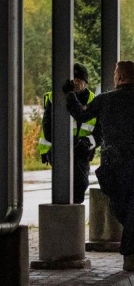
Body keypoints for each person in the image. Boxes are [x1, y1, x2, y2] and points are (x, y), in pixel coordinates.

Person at [65, 60, 134, 274]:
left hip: (116, 166)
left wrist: (69, 95)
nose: (114, 77)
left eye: (115, 73)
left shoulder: (106, 100)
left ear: (120, 77)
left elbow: (81, 114)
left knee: (122, 209)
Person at [38, 62, 102, 204]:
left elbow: (100, 132)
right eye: (74, 80)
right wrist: (72, 141)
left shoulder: (94, 100)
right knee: (64, 184)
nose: (76, 83)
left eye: (80, 80)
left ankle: (73, 214)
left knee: (80, 184)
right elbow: (48, 129)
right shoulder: (54, 98)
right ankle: (65, 215)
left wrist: (86, 144)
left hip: (82, 151)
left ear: (85, 82)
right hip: (59, 148)